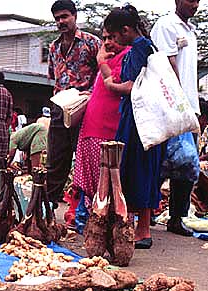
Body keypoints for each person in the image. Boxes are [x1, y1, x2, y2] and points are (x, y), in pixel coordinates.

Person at [103, 4, 162, 249]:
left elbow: (133, 86)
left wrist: (112, 86)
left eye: (114, 36)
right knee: (143, 170)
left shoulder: (139, 49)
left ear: (126, 30)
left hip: (140, 121)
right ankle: (137, 227)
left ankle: (141, 230)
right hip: (145, 119)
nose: (114, 41)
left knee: (137, 169)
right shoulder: (147, 47)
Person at [151, 0, 200, 237]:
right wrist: (179, 104)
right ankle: (146, 209)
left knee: (187, 165)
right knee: (161, 162)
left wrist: (191, 108)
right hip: (172, 106)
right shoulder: (166, 25)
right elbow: (166, 64)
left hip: (189, 107)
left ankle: (176, 217)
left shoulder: (190, 30)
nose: (195, 4)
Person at [73, 28, 130, 233]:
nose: (107, 42)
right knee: (90, 178)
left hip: (108, 127)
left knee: (106, 180)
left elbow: (115, 84)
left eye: (112, 37)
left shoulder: (127, 56)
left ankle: (105, 225)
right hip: (91, 124)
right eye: (105, 37)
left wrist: (101, 62)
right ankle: (89, 221)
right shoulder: (108, 57)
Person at [46, 0, 101, 203]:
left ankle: (86, 208)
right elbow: (53, 76)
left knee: (85, 158)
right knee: (55, 159)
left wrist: (91, 93)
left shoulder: (92, 42)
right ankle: (48, 208)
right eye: (57, 18)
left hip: (85, 106)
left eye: (65, 16)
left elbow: (104, 73)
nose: (61, 21)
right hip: (60, 106)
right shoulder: (53, 47)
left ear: (74, 16)